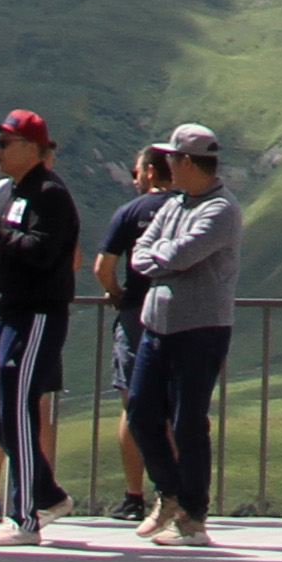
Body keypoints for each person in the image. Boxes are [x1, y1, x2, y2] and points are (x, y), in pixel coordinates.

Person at [106, 124, 241, 549]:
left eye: (170, 158)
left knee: (188, 422)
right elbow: (142, 252)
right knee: (143, 412)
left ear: (185, 161)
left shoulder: (221, 208)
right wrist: (161, 257)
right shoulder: (175, 204)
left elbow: (180, 255)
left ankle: (194, 515)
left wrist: (159, 257)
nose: (165, 165)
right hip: (157, 325)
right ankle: (169, 493)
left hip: (201, 329)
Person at [0, 108, 79, 546]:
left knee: (17, 405)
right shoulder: (10, 192)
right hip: (3, 312)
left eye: (4, 143)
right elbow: (7, 248)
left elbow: (42, 252)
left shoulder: (50, 194)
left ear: (30, 149)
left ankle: (25, 516)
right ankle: (45, 491)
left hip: (37, 315)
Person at [91, 140, 169, 527]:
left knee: (132, 405)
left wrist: (117, 294)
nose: (135, 178)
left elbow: (102, 267)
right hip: (176, 314)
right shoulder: (183, 209)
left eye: (137, 172)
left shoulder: (129, 212)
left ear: (150, 172)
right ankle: (169, 494)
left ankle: (133, 496)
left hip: (136, 313)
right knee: (172, 407)